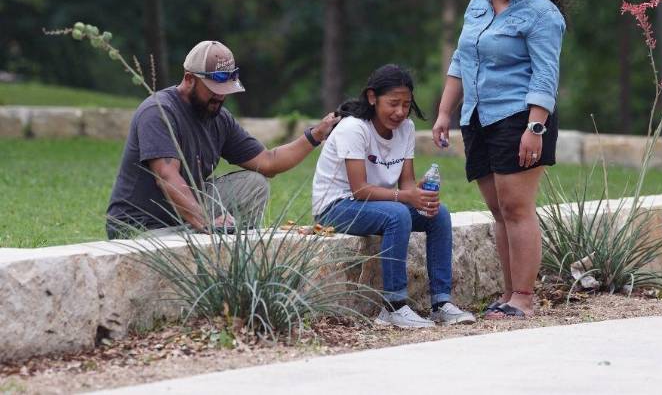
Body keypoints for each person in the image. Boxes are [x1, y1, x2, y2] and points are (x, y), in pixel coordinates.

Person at [432, 0, 566, 319]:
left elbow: (545, 75)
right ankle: (508, 295)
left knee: (516, 207)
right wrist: (444, 112)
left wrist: (535, 128)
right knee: (498, 210)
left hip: (519, 118)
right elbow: (462, 59)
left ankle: (523, 297)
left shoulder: (542, 14)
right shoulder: (478, 3)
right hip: (478, 117)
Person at [106, 40, 338, 239]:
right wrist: (206, 221)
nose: (220, 95)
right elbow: (167, 177)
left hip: (182, 219)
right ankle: (205, 239)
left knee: (255, 183)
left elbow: (268, 162)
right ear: (189, 79)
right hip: (140, 227)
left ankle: (225, 251)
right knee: (197, 231)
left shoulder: (218, 117)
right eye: (213, 88)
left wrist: (316, 134)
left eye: (226, 88)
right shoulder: (158, 111)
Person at [312, 64, 475, 328]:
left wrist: (418, 193)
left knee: (439, 215)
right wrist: (406, 197)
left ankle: (441, 303)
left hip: (379, 204)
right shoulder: (354, 128)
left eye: (406, 105)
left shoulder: (406, 128)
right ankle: (393, 307)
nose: (400, 112)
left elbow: (406, 183)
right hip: (336, 207)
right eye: (393, 103)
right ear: (372, 97)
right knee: (398, 215)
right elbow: (359, 190)